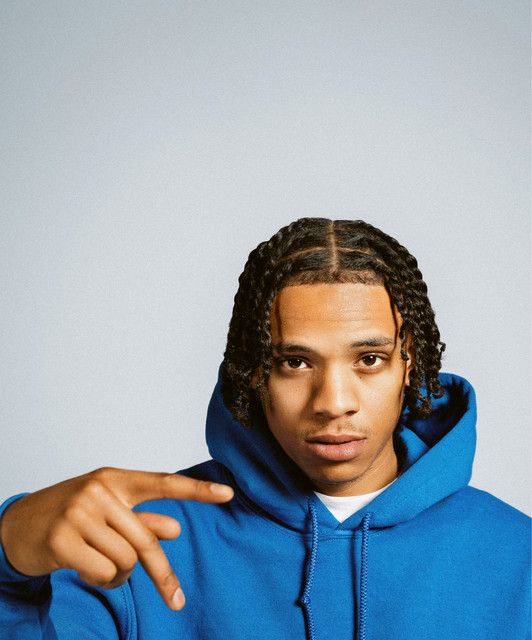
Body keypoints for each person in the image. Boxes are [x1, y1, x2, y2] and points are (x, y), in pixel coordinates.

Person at [0, 218, 529, 639]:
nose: (333, 403)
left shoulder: (517, 554)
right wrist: (8, 559)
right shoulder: (139, 543)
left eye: (369, 359)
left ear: (408, 363)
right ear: (254, 371)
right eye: (295, 363)